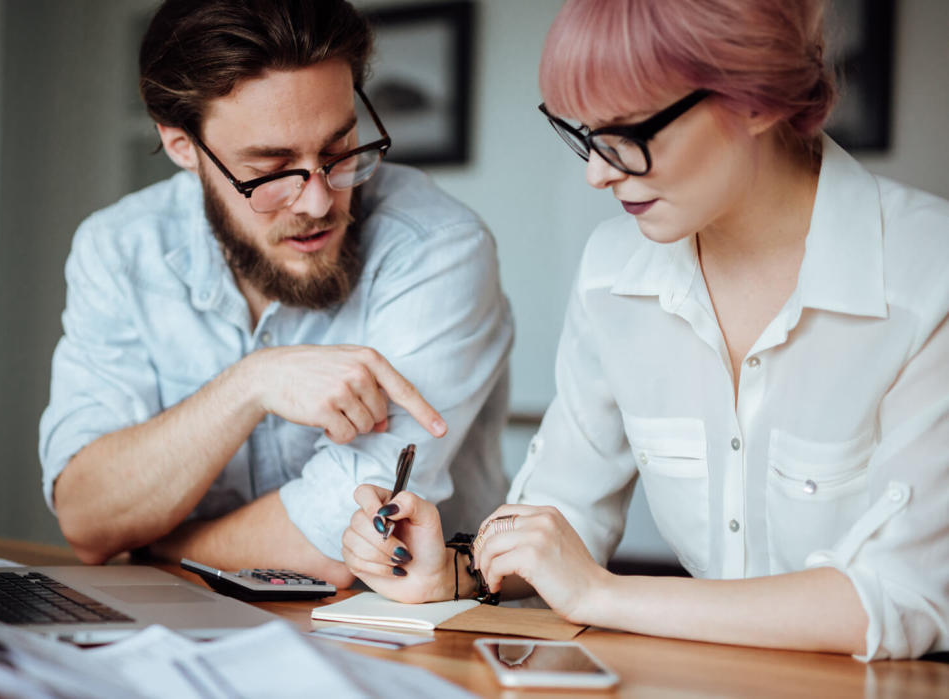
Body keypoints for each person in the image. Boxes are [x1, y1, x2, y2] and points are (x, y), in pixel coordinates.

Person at [343, 0, 948, 660]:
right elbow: (563, 514)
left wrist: (602, 595)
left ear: (757, 99)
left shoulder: (927, 275)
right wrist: (455, 570)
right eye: (583, 133)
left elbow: (902, 597)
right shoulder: (613, 272)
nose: (596, 172)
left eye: (628, 133)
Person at [38, 0, 513, 588]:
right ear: (182, 146)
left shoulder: (438, 249)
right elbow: (87, 518)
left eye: (339, 151)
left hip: (404, 637)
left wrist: (156, 543)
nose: (317, 202)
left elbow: (337, 542)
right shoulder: (118, 249)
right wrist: (249, 384)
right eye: (270, 168)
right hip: (184, 628)